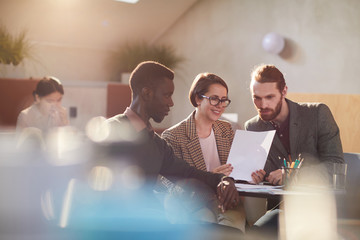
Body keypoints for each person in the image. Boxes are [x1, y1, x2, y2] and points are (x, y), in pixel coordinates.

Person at [104, 61, 240, 223]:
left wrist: (223, 180)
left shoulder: (157, 144)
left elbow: (189, 173)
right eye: (167, 95)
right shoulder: (111, 133)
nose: (171, 103)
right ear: (147, 94)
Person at [161, 73, 266, 232]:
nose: (220, 105)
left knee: (235, 225)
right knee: (206, 221)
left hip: (226, 202)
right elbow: (170, 187)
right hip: (194, 204)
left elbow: (236, 171)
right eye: (214, 98)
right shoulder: (173, 136)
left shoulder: (226, 129)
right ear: (198, 98)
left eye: (224, 100)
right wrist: (209, 176)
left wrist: (251, 176)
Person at [245, 64, 344, 186]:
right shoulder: (252, 127)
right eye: (257, 98)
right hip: (274, 202)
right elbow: (258, 173)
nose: (263, 105)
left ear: (284, 91)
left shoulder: (317, 114)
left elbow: (336, 165)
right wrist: (254, 176)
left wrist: (292, 175)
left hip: (316, 200)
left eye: (269, 97)